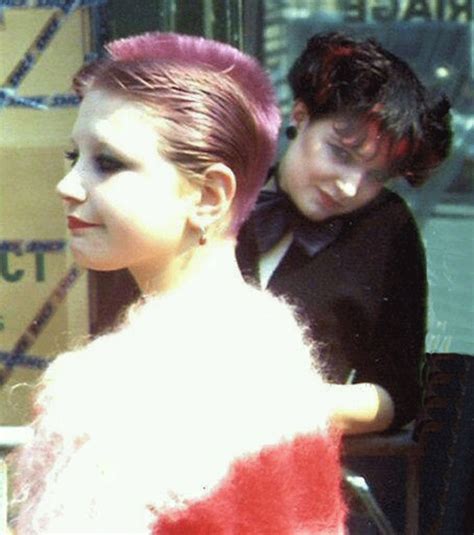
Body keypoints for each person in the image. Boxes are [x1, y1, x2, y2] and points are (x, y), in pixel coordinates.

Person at [9, 33, 347, 533]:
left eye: (108, 162)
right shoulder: (274, 350)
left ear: (209, 196)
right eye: (72, 156)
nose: (67, 184)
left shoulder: (105, 393)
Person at [237, 31, 452, 435]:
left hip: (296, 460)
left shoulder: (386, 228)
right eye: (340, 152)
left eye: (376, 175)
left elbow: (399, 393)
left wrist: (291, 406)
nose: (350, 187)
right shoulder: (222, 194)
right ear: (300, 117)